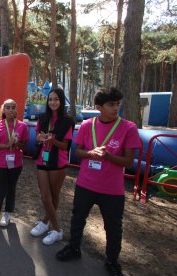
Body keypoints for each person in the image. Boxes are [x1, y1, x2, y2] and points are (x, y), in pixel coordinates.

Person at [56, 88, 141, 276]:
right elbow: (77, 153)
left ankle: (111, 261)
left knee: (113, 227)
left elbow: (128, 161)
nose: (115, 108)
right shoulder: (87, 125)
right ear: (99, 107)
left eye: (118, 104)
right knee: (77, 219)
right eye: (111, 104)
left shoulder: (128, 128)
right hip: (85, 184)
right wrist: (90, 153)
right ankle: (74, 248)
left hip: (112, 190)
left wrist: (108, 155)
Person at [30, 88, 75, 245]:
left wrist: (52, 141)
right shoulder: (42, 118)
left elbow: (65, 146)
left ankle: (45, 222)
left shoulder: (68, 121)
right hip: (42, 160)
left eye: (56, 99)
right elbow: (36, 140)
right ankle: (57, 229)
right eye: (50, 100)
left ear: (61, 101)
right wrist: (40, 138)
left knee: (54, 196)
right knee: (45, 197)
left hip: (58, 163)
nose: (53, 102)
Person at [0, 99, 28, 227]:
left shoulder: (22, 126)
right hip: (0, 163)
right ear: (3, 110)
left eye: (13, 107)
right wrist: (6, 145)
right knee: (1, 189)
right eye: (8, 107)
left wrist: (17, 144)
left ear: (16, 110)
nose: (10, 110)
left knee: (11, 188)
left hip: (16, 163)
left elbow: (25, 146)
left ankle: (7, 214)